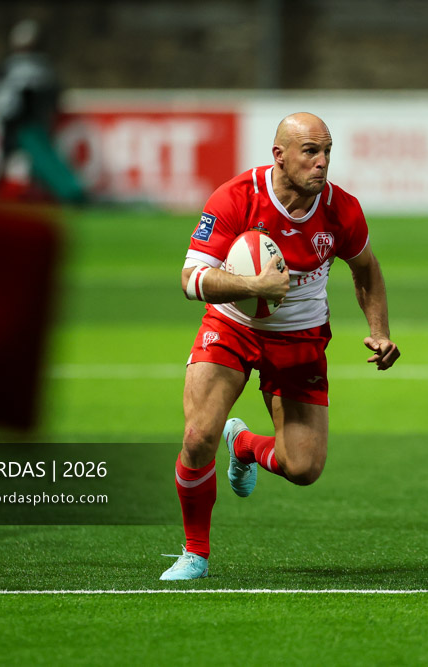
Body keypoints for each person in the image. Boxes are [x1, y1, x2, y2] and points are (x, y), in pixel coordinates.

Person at [161, 112, 400, 580]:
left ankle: (244, 444)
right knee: (197, 437)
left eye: (327, 151)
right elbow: (190, 279)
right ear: (280, 155)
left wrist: (381, 331)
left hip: (301, 337)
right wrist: (253, 286)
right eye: (310, 151)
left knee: (303, 468)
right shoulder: (235, 197)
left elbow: (366, 269)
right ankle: (195, 553)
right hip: (232, 327)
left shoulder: (342, 209)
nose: (322, 162)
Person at [0, 19, 85, 204]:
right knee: (40, 160)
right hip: (32, 122)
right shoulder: (43, 66)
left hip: (19, 122)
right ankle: (60, 193)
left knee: (25, 160)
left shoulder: (8, 66)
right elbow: (56, 95)